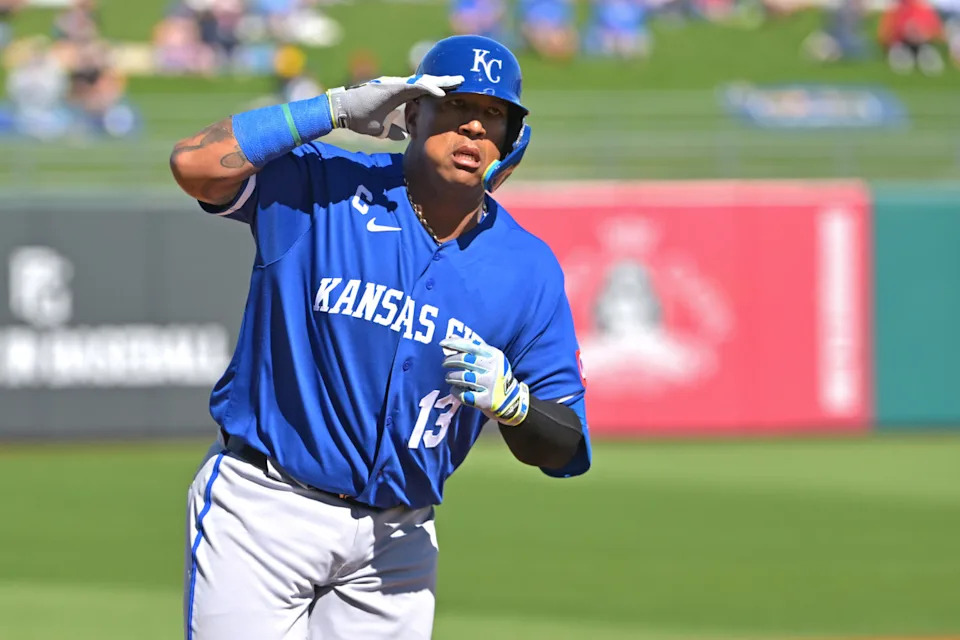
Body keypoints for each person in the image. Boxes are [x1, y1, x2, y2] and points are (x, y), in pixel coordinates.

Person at [169, 34, 591, 640]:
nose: (473, 127)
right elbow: (194, 166)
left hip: (398, 542)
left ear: (511, 139)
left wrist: (515, 407)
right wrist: (333, 110)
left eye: (493, 114)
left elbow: (565, 446)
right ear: (411, 112)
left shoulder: (529, 268)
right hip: (266, 507)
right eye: (454, 105)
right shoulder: (325, 189)